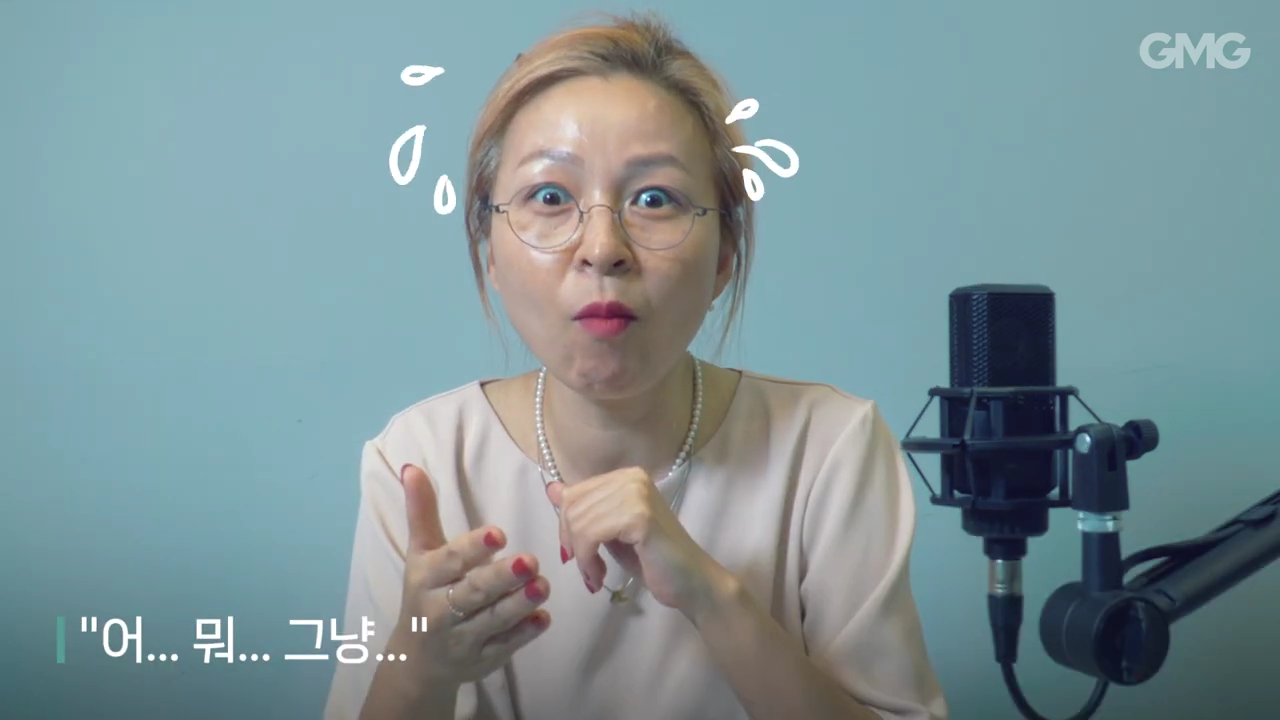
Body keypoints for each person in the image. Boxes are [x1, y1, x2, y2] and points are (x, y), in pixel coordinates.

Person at [325, 11, 948, 720]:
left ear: (725, 256)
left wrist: (714, 596)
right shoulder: (421, 461)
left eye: (655, 199)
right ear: (488, 251)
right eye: (550, 197)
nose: (602, 248)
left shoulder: (830, 447)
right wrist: (420, 673)